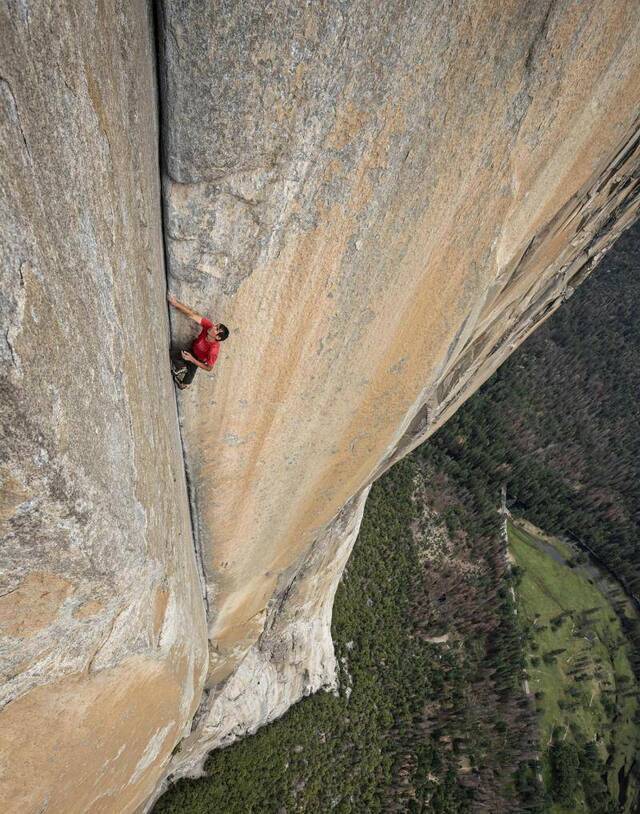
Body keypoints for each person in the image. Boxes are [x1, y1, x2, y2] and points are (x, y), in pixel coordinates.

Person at [167, 293, 229, 389]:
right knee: (172, 354)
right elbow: (192, 315)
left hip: (196, 360)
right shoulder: (208, 326)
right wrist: (176, 304)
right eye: (216, 325)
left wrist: (192, 359)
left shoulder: (214, 350)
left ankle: (183, 372)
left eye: (216, 329)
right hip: (191, 350)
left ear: (218, 338)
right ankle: (182, 368)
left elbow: (209, 368)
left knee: (183, 385)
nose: (213, 327)